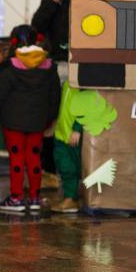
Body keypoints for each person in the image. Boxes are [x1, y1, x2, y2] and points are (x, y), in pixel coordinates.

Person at [0, 25, 61, 213]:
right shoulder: (49, 67)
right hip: (38, 123)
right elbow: (55, 96)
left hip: (13, 123)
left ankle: (16, 198)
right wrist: (50, 117)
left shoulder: (8, 67)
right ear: (37, 40)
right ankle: (34, 198)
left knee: (17, 159)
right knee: (34, 157)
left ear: (13, 42)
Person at [31, 0, 74, 190]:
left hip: (83, 65)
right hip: (56, 64)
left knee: (79, 121)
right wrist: (54, 0)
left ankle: (79, 173)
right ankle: (48, 172)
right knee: (51, 118)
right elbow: (36, 25)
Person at [52, 81, 83, 213]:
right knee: (63, 164)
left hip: (72, 136)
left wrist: (77, 129)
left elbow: (87, 107)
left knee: (70, 167)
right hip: (61, 133)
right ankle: (70, 197)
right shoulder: (67, 83)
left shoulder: (83, 85)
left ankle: (71, 198)